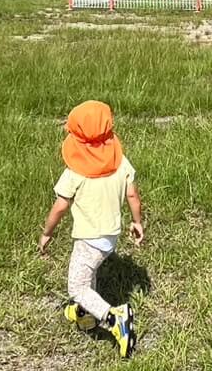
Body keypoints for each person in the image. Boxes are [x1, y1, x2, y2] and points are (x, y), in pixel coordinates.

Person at [38, 100, 145, 357]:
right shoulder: (120, 163)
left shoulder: (74, 173)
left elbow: (60, 207)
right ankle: (85, 315)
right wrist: (137, 221)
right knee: (89, 274)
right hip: (110, 236)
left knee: (76, 287)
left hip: (88, 239)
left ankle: (114, 318)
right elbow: (132, 195)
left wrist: (47, 233)